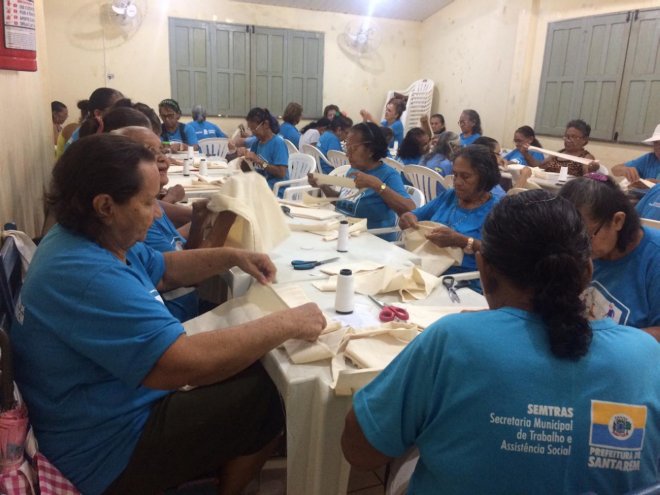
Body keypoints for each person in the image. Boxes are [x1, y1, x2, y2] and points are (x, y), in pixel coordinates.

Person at [11, 134, 326, 495]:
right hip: (107, 450)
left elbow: (164, 269)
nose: (158, 212)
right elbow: (183, 363)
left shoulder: (84, 236)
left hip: (102, 409)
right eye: (147, 203)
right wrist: (288, 322)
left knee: (249, 360)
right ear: (105, 205)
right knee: (267, 396)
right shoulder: (88, 272)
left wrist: (231, 256)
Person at [342, 190, 660, 494]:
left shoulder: (452, 341)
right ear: (588, 271)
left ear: (483, 268)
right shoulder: (646, 356)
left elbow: (361, 451)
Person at [559, 175, 659, 341]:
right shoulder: (586, 249)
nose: (574, 248)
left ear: (618, 221)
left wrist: (604, 342)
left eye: (586, 237)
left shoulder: (653, 258)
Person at [399, 145, 501, 272]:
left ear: (485, 177)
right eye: (455, 175)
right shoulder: (450, 196)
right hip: (426, 266)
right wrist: (408, 218)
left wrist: (462, 241)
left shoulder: (497, 210)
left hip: (462, 280)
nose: (457, 182)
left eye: (465, 176)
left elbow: (501, 254)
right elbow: (414, 215)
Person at [308, 122, 415, 241]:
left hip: (372, 241)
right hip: (345, 235)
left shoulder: (388, 175)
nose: (347, 154)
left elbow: (411, 209)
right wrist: (322, 185)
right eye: (346, 147)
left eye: (353, 149)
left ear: (371, 150)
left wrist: (378, 186)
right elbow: (344, 204)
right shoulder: (353, 170)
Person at [519, 119, 597, 178]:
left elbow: (588, 180)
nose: (568, 140)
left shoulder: (586, 157)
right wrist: (526, 154)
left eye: (574, 137)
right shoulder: (558, 154)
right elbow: (538, 166)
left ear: (584, 140)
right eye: (567, 136)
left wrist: (592, 168)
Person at [241, 107, 289, 189]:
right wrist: (243, 160)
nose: (253, 132)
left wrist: (259, 161)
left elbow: (281, 173)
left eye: (254, 129)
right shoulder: (256, 143)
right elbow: (251, 170)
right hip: (261, 187)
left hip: (276, 190)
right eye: (250, 129)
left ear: (266, 124)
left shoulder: (278, 143)